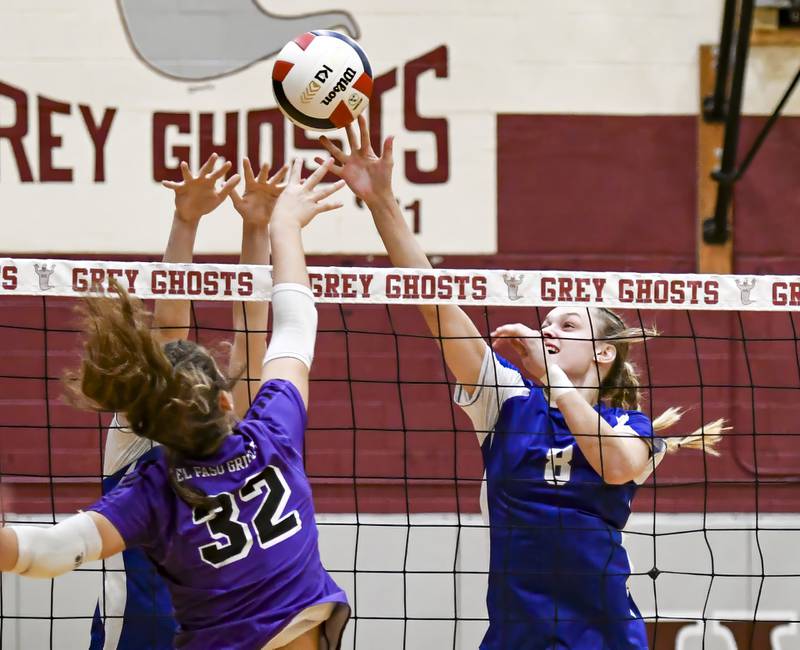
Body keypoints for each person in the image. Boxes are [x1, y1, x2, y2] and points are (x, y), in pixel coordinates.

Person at [317, 116, 726, 650]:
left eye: (568, 325)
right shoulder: (507, 401)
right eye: (547, 322)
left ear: (604, 352)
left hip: (603, 638)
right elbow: (436, 307)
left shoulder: (632, 427)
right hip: (517, 637)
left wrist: (550, 378)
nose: (549, 330)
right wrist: (381, 203)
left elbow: (616, 466)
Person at [1, 158, 350, 650]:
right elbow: (255, 334)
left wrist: (245, 227)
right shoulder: (260, 439)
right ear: (223, 399)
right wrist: (260, 227)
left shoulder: (153, 477)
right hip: (144, 636)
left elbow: (246, 338)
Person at [90, 153, 286, 649]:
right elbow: (168, 331)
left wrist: (256, 228)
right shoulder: (138, 438)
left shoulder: (233, 440)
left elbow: (250, 333)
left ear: (221, 401)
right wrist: (185, 221)